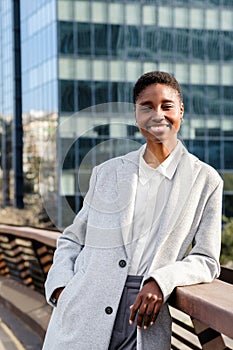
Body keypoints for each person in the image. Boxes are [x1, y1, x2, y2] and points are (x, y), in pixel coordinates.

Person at [42, 71, 223, 350]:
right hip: (83, 307)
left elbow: (206, 259)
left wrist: (161, 281)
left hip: (144, 321)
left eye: (167, 105)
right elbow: (72, 239)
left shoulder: (206, 180)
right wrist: (60, 288)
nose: (157, 114)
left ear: (181, 112)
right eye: (146, 107)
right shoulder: (107, 172)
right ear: (135, 115)